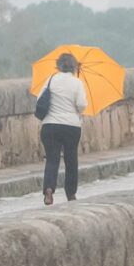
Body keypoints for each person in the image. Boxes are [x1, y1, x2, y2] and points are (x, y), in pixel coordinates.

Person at [38, 53, 88, 205]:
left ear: (58, 66)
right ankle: (71, 194)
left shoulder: (50, 80)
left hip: (50, 126)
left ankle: (48, 190)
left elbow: (40, 100)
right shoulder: (77, 83)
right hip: (71, 127)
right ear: (74, 67)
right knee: (71, 160)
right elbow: (81, 105)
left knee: (52, 160)